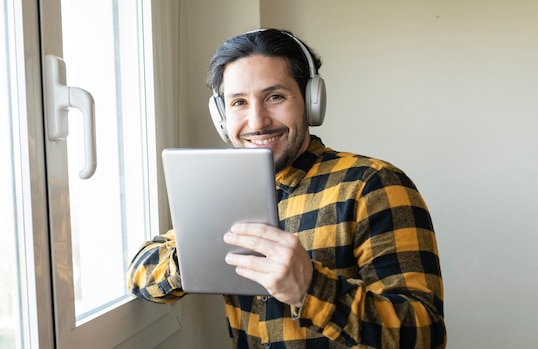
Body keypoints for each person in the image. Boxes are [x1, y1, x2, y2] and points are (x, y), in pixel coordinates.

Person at [128, 28, 446, 348]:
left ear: (311, 101)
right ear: (222, 116)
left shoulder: (373, 185)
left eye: (275, 97)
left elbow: (425, 334)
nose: (257, 122)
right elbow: (139, 272)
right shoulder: (224, 192)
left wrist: (309, 287)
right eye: (239, 102)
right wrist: (195, 254)